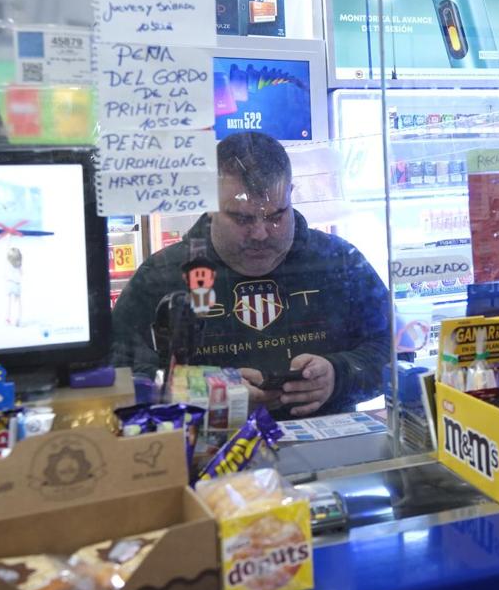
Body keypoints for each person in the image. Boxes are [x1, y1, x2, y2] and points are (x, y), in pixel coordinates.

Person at [112, 131, 391, 419]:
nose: (260, 234)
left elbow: (396, 351)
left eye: (276, 216)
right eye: (242, 218)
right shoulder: (162, 277)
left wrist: (339, 375)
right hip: (207, 457)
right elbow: (113, 374)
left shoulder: (338, 263)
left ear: (291, 195)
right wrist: (195, 390)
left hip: (334, 456)